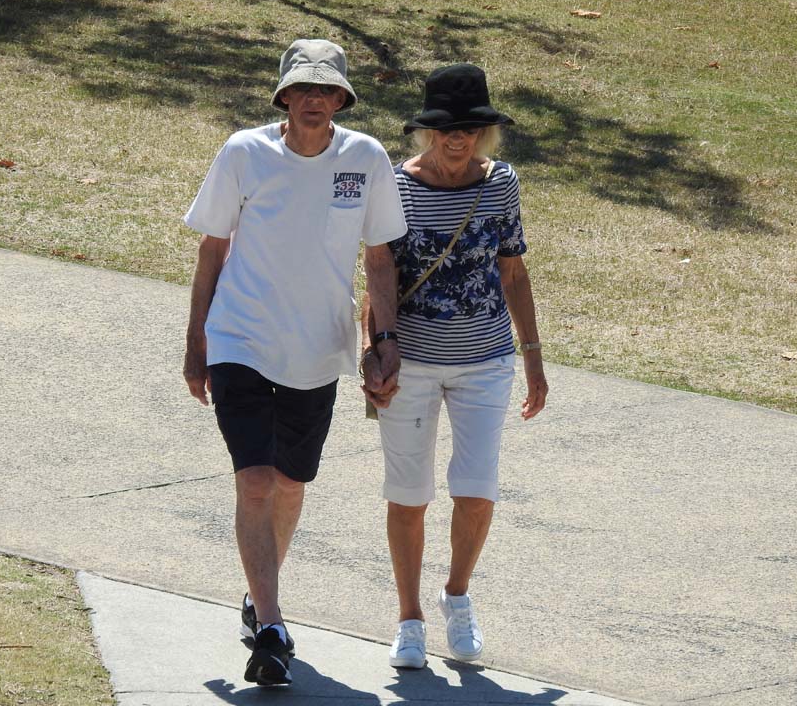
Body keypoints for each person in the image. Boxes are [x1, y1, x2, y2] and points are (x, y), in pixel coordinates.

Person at [182, 39, 407, 687]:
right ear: (283, 96)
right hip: (240, 339)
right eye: (302, 88)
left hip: (318, 350)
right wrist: (196, 342)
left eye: (326, 89)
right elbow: (212, 250)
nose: (314, 98)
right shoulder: (243, 152)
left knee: (289, 483)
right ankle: (273, 627)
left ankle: (260, 597)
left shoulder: (365, 158)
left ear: (341, 98)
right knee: (255, 480)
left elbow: (380, 259)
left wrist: (383, 340)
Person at [361, 64, 548, 669]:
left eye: (470, 127)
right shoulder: (396, 185)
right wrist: (377, 348)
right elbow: (379, 273)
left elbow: (513, 271)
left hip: (485, 362)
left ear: (485, 132)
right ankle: (409, 618)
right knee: (408, 494)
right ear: (428, 132)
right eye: (447, 128)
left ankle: (457, 597)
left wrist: (533, 357)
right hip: (411, 363)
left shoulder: (502, 183)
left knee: (476, 489)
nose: (458, 138)